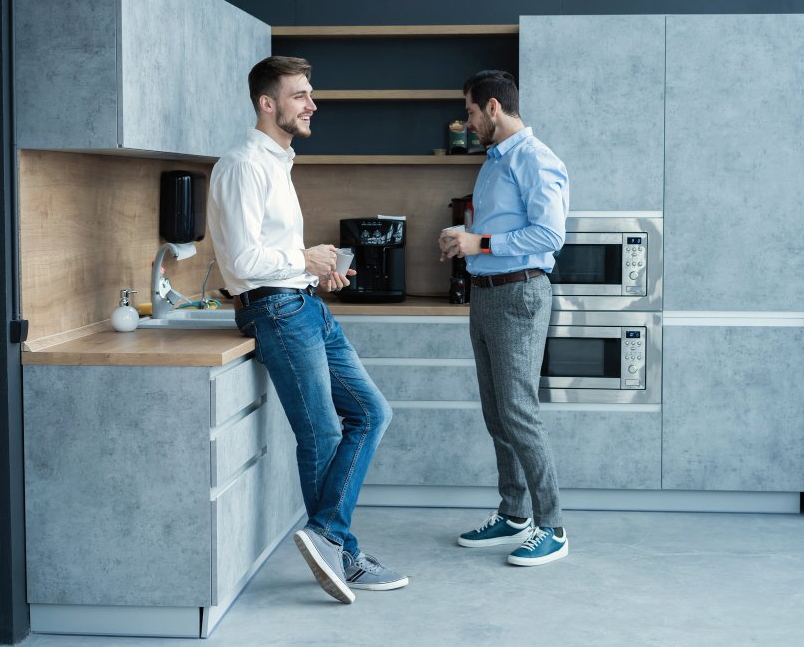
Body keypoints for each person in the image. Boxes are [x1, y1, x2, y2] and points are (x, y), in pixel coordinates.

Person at [207, 56, 407, 604]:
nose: (312, 104)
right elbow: (245, 261)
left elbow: (269, 254)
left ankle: (326, 536)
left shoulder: (278, 164)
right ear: (268, 104)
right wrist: (302, 256)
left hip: (302, 303)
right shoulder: (243, 164)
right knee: (322, 432)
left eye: (310, 93)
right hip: (274, 309)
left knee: (371, 413)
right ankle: (341, 553)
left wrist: (315, 269)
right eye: (300, 95)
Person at [438, 70, 570, 566]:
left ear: (493, 107)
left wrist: (482, 243)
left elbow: (549, 236)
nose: (467, 123)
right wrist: (464, 239)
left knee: (518, 412)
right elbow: (499, 228)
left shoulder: (535, 159)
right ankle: (514, 513)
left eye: (470, 112)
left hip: (519, 297)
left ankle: (552, 526)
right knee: (497, 414)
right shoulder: (495, 162)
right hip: (488, 294)